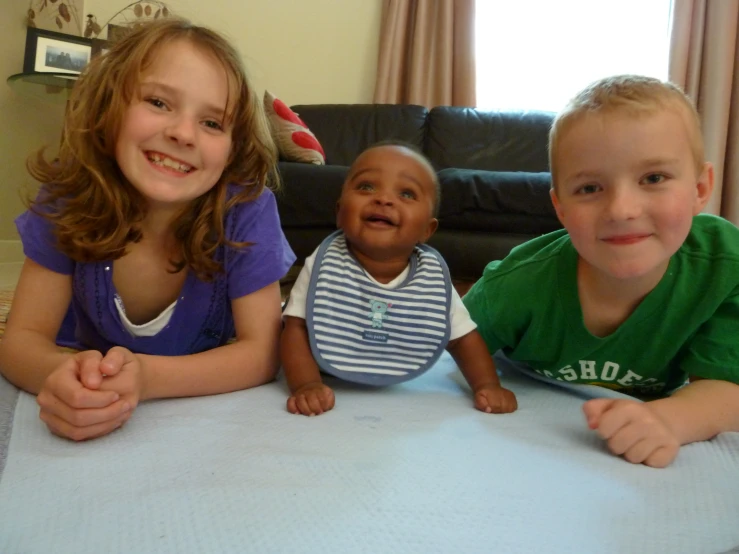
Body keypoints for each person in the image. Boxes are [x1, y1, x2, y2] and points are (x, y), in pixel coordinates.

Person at [0, 19, 296, 441]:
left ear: (234, 149)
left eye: (213, 123)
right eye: (158, 102)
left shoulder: (245, 209)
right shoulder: (68, 197)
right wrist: (62, 376)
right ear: (108, 109)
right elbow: (20, 341)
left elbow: (263, 353)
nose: (182, 133)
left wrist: (147, 378)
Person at [463, 75, 739, 468]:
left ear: (700, 189)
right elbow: (443, 345)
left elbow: (728, 386)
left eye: (653, 178)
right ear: (560, 208)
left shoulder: (725, 267)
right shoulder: (514, 284)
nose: (622, 210)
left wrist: (669, 420)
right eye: (591, 188)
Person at [281, 143, 517, 416]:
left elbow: (463, 339)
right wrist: (306, 384)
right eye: (367, 187)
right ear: (339, 213)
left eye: (406, 193)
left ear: (427, 230)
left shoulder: (430, 279)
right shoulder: (324, 264)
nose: (383, 199)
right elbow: (295, 329)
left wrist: (487, 384)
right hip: (320, 365)